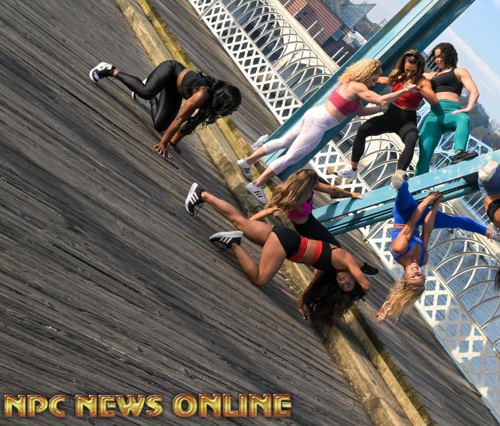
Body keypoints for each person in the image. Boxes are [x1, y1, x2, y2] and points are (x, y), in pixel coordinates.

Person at [184, 181, 373, 327]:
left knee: (240, 222)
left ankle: (202, 194)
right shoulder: (346, 259)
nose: (343, 281)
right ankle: (234, 243)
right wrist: (366, 298)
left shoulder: (333, 267)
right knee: (259, 279)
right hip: (287, 245)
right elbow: (365, 284)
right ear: (354, 275)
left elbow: (315, 282)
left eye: (343, 285)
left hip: (286, 236)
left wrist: (302, 300)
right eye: (348, 282)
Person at [236, 58, 415, 205]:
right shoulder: (359, 87)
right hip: (320, 124)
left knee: (283, 142)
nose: (374, 82)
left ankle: (247, 162)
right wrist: (403, 91)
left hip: (315, 114)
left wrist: (379, 110)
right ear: (368, 73)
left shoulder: (349, 83)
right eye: (374, 79)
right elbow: (380, 99)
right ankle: (257, 184)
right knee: (291, 157)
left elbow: (359, 111)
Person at [374, 183, 500, 321]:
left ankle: (400, 182)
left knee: (403, 194)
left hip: (404, 214)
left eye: (413, 276)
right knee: (459, 222)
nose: (417, 271)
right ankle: (490, 232)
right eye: (420, 275)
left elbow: (411, 222)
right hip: (420, 215)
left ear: (405, 277)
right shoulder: (422, 259)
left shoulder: (399, 250)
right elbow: (427, 229)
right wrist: (436, 204)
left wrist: (428, 199)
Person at [89, 60, 242, 157]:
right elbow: (180, 119)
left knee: (160, 125)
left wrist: (172, 143)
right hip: (170, 72)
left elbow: (191, 123)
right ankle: (110, 70)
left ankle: (151, 89)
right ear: (223, 100)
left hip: (176, 90)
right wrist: (162, 144)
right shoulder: (202, 95)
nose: (231, 112)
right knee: (145, 92)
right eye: (231, 108)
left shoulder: (211, 104)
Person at [336, 51, 437, 188]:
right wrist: (357, 77)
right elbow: (379, 80)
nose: (409, 74)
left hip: (407, 120)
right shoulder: (399, 76)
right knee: (363, 129)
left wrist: (419, 89)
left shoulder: (422, 82)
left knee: (412, 139)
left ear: (419, 69)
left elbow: (434, 101)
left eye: (412, 71)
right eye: (407, 70)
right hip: (390, 115)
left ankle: (399, 175)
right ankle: (352, 169)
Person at [414, 43, 480, 175]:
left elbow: (474, 91)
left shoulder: (459, 72)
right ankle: (415, 185)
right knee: (423, 157)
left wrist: (468, 108)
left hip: (451, 113)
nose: (437, 60)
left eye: (440, 56)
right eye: (435, 57)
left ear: (448, 55)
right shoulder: (431, 75)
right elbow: (409, 76)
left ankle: (459, 153)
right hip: (433, 116)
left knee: (463, 118)